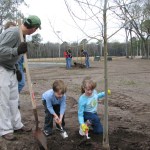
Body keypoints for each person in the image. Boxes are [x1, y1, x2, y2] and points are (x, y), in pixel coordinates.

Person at [0, 15, 41, 141]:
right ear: (33, 28)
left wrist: (17, 69)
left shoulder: (21, 35)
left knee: (13, 99)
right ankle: (5, 129)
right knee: (3, 101)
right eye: (36, 29)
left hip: (10, 68)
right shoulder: (13, 33)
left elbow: (13, 56)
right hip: (1, 68)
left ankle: (16, 125)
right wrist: (16, 51)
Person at [4, 22, 25, 109]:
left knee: (21, 83)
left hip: (19, 63)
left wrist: (23, 67)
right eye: (11, 28)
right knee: (10, 85)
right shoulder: (6, 39)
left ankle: (14, 99)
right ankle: (12, 101)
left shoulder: (18, 37)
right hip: (11, 65)